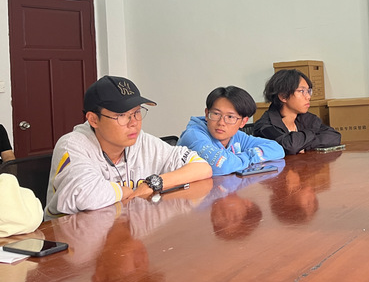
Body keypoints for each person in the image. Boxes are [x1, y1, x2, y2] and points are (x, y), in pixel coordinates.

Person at [45, 75, 212, 217]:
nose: (134, 123)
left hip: (126, 234)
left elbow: (201, 167)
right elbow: (84, 194)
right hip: (73, 239)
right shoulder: (72, 145)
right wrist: (123, 192)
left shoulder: (141, 141)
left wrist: (153, 184)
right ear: (93, 120)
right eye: (121, 115)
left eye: (137, 112)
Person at [178, 85, 284, 176]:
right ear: (206, 114)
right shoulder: (193, 136)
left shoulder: (236, 136)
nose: (221, 122)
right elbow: (223, 166)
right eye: (216, 114)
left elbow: (277, 149)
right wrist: (246, 159)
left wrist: (243, 157)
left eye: (230, 117)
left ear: (243, 122)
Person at [253, 69, 341, 154]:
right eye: (301, 91)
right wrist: (312, 133)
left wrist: (303, 146)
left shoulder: (306, 118)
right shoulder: (265, 126)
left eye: (308, 91)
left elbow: (334, 136)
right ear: (283, 96)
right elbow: (290, 145)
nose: (308, 97)